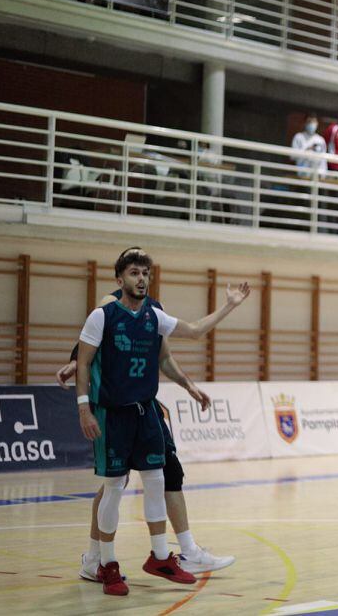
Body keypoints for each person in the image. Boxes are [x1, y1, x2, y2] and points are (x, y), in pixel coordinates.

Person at [74, 248, 250, 596]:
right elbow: (82, 364)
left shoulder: (155, 316)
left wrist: (230, 305)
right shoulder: (102, 316)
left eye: (145, 273)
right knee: (114, 487)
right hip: (112, 414)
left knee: (157, 479)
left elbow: (196, 331)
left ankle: (160, 557)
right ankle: (106, 564)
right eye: (134, 273)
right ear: (120, 279)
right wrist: (84, 408)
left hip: (146, 411)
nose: (141, 279)